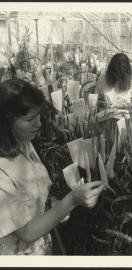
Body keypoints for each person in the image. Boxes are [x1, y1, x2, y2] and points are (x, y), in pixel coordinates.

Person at [0, 79, 104, 255]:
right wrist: (71, 200)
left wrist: (53, 206)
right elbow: (26, 231)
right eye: (30, 119)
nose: (38, 124)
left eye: (38, 115)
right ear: (6, 121)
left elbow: (36, 197)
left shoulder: (24, 142)